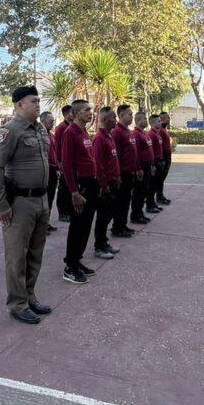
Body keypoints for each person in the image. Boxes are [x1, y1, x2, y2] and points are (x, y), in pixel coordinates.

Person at [0, 86, 53, 324]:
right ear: (19, 105)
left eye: (38, 101)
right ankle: (17, 304)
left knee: (35, 252)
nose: (38, 104)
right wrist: (2, 204)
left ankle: (30, 295)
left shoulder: (39, 129)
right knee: (17, 256)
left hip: (41, 199)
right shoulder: (9, 131)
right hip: (20, 203)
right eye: (33, 101)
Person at [59, 99, 100, 283]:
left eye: (90, 109)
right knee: (77, 226)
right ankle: (70, 266)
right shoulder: (71, 133)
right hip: (80, 186)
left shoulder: (83, 131)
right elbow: (67, 165)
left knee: (85, 225)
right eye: (86, 110)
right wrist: (74, 191)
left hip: (90, 184)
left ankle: (77, 260)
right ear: (76, 113)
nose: (90, 113)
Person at [92, 106, 126, 256]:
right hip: (106, 186)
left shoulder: (109, 136)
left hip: (114, 182)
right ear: (106, 120)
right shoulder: (99, 139)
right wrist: (104, 186)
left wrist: (117, 178)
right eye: (113, 117)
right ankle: (99, 246)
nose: (116, 120)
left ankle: (104, 242)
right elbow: (98, 165)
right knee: (103, 217)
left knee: (110, 214)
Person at [111, 104, 142, 234]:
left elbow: (133, 153)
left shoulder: (128, 131)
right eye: (129, 114)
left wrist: (137, 168)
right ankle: (117, 227)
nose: (131, 117)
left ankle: (123, 225)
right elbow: (115, 155)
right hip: (122, 174)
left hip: (130, 172)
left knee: (125, 201)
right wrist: (117, 175)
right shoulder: (117, 133)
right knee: (120, 202)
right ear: (121, 115)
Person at [131, 113, 155, 223]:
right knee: (138, 192)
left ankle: (140, 213)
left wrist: (151, 165)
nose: (146, 121)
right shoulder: (136, 134)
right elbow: (135, 154)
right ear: (139, 121)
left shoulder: (144, 133)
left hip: (147, 166)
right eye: (144, 119)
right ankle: (136, 215)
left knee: (144, 191)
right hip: (141, 167)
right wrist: (138, 168)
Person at [39, 111, 59, 233]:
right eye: (50, 121)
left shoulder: (51, 135)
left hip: (53, 169)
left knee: (50, 197)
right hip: (45, 169)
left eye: (53, 121)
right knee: (44, 199)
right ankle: (41, 226)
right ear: (43, 121)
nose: (52, 123)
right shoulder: (40, 135)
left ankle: (46, 222)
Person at [53, 105, 74, 222]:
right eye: (71, 113)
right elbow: (58, 146)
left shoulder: (72, 126)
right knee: (64, 188)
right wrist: (60, 162)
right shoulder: (61, 127)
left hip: (72, 163)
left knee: (70, 188)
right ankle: (63, 212)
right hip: (63, 163)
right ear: (66, 115)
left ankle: (69, 210)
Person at [146, 114, 165, 214]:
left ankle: (153, 204)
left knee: (156, 184)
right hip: (155, 162)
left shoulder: (157, 134)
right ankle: (149, 205)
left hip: (159, 161)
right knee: (152, 185)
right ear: (152, 123)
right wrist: (153, 164)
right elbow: (151, 151)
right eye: (158, 121)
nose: (160, 122)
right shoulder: (151, 135)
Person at [155, 112, 174, 205]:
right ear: (163, 119)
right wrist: (161, 158)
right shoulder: (161, 130)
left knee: (162, 177)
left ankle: (160, 195)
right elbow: (159, 145)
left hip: (167, 154)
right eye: (167, 117)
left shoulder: (164, 129)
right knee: (161, 177)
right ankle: (159, 196)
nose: (169, 119)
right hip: (164, 155)